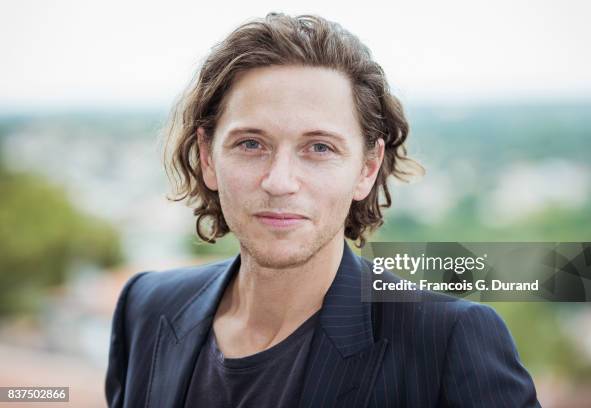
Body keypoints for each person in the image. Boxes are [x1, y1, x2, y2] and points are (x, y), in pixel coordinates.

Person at [105, 12, 540, 407]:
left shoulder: (447, 341)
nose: (279, 181)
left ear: (367, 169)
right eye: (251, 143)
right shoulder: (145, 307)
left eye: (319, 148)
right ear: (207, 156)